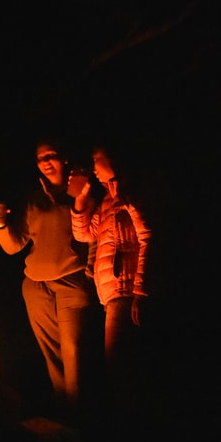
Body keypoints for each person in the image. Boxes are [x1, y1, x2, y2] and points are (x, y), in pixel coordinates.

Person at [0, 137, 99, 420]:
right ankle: (66, 416)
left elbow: (96, 233)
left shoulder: (81, 191)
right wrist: (0, 224)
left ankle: (82, 416)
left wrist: (89, 273)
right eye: (41, 158)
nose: (46, 162)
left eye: (52, 156)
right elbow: (13, 245)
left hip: (72, 280)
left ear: (65, 159)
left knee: (74, 353)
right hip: (36, 284)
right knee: (52, 354)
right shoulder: (33, 198)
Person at [70, 141, 152, 410]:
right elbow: (85, 234)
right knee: (118, 367)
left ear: (113, 161)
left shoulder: (131, 193)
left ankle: (135, 432)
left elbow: (147, 237)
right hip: (111, 292)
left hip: (127, 289)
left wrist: (141, 290)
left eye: (97, 160)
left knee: (123, 367)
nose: (93, 168)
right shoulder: (108, 197)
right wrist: (80, 201)